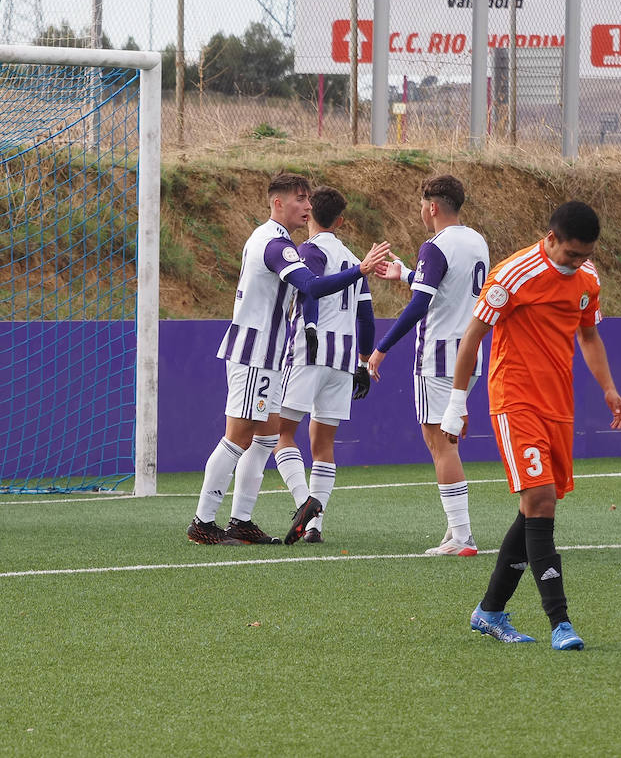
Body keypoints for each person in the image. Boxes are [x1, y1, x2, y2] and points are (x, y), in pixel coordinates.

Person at [441, 201, 621, 650]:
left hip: (558, 406)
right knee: (541, 500)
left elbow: (587, 334)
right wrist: (456, 404)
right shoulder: (513, 274)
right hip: (514, 399)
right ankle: (560, 623)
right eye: (570, 255)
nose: (577, 264)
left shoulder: (587, 280)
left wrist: (608, 387)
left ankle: (489, 610)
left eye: (584, 256)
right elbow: (472, 337)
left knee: (536, 508)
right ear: (550, 239)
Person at [187, 172, 389, 546]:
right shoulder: (276, 245)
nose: (307, 206)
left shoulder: (275, 240)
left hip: (271, 354)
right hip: (256, 352)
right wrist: (359, 271)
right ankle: (203, 522)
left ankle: (241, 521)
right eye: (300, 199)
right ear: (278, 202)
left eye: (309, 200)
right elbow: (310, 287)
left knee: (266, 436)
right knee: (239, 436)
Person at [367, 175, 491, 556]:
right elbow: (449, 289)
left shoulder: (434, 246)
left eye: (422, 204)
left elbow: (421, 305)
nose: (421, 211)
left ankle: (462, 536)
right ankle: (456, 531)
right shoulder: (477, 240)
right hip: (470, 354)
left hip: (437, 355)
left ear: (433, 206)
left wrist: (381, 349)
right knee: (447, 441)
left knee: (439, 444)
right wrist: (405, 274)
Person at [271, 186, 375, 544]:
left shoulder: (309, 250)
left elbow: (310, 290)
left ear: (309, 211)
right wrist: (363, 361)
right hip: (344, 360)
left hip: (309, 353)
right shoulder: (352, 258)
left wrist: (311, 328)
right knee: (323, 443)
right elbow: (366, 317)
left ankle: (305, 503)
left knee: (279, 433)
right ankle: (315, 527)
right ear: (341, 220)